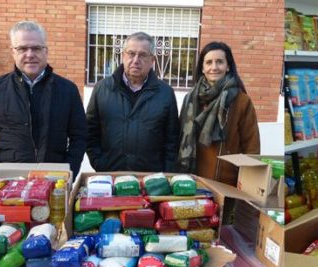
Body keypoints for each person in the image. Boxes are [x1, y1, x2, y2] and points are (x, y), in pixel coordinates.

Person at [0, 21, 86, 177]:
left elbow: (79, 137)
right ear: (13, 52)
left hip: (54, 180)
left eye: (36, 48)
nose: (30, 54)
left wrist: (69, 172)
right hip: (8, 180)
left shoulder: (68, 90)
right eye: (22, 48)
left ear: (46, 51)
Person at [86, 32, 180, 172]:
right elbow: (90, 132)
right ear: (123, 56)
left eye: (142, 55)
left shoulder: (165, 93)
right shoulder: (102, 89)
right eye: (131, 53)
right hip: (111, 174)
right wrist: (100, 163)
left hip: (151, 180)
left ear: (152, 60)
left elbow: (172, 140)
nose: (136, 60)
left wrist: (165, 173)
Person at [177, 41, 260, 186]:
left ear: (228, 66)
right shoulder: (191, 99)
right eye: (208, 62)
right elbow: (179, 138)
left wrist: (248, 182)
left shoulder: (241, 101)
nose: (214, 67)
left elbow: (251, 146)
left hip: (228, 185)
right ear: (202, 68)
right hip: (193, 183)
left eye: (220, 62)